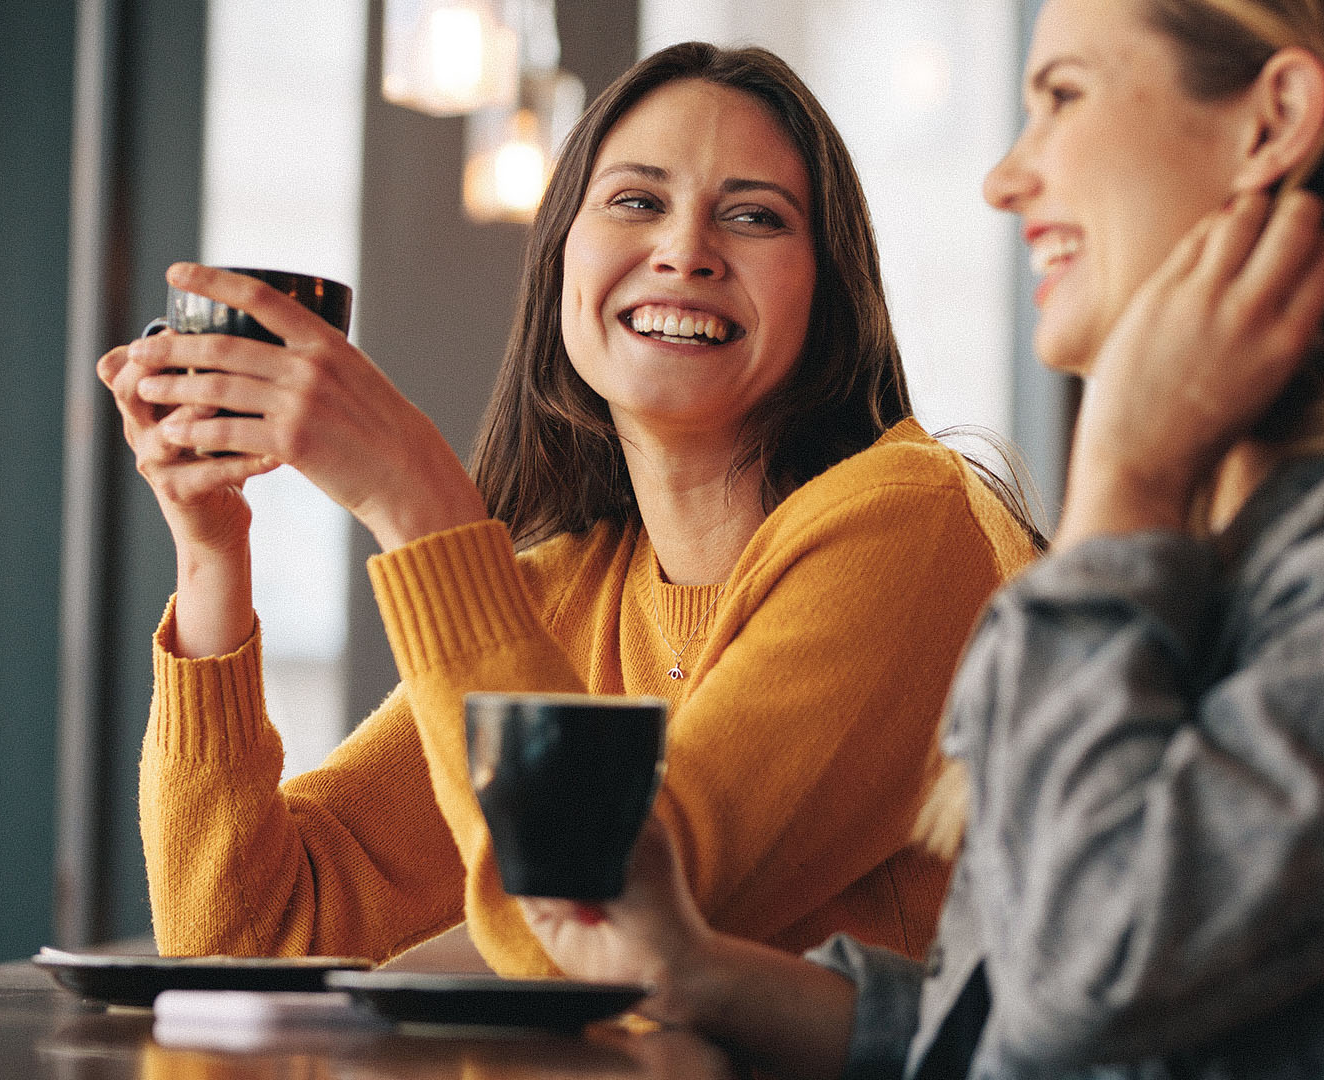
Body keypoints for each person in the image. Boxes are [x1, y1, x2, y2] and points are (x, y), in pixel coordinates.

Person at [520, 1, 1324, 1076]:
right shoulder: (1232, 536)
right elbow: (1027, 1023)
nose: (1007, 177)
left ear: (1273, 123)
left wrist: (1118, 476)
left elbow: (1089, 971)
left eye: (1062, 97)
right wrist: (700, 974)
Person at [96, 42, 1041, 976]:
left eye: (755, 217)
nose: (685, 252)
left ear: (828, 293)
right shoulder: (567, 596)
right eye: (637, 201)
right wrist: (212, 549)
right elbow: (247, 940)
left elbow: (607, 919)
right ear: (558, 265)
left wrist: (412, 496)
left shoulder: (906, 527)